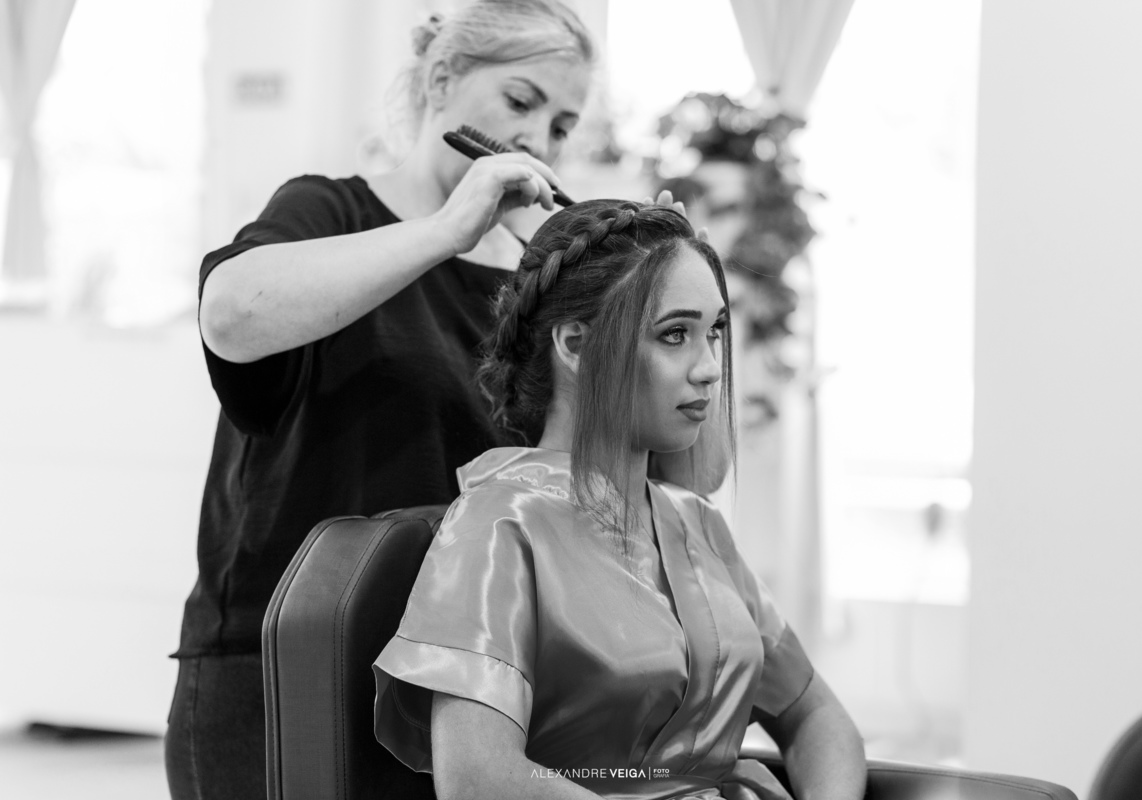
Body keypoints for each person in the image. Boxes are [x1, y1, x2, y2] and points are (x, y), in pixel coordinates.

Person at [165, 3, 597, 799]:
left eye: (562, 126)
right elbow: (230, 314)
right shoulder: (328, 211)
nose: (539, 138)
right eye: (521, 101)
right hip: (284, 674)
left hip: (461, 691)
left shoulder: (531, 290)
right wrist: (446, 230)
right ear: (442, 80)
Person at [372, 199, 867, 800]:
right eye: (675, 334)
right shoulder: (498, 526)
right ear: (575, 345)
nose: (711, 368)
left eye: (714, 332)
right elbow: (478, 778)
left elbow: (817, 715)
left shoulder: (697, 524)